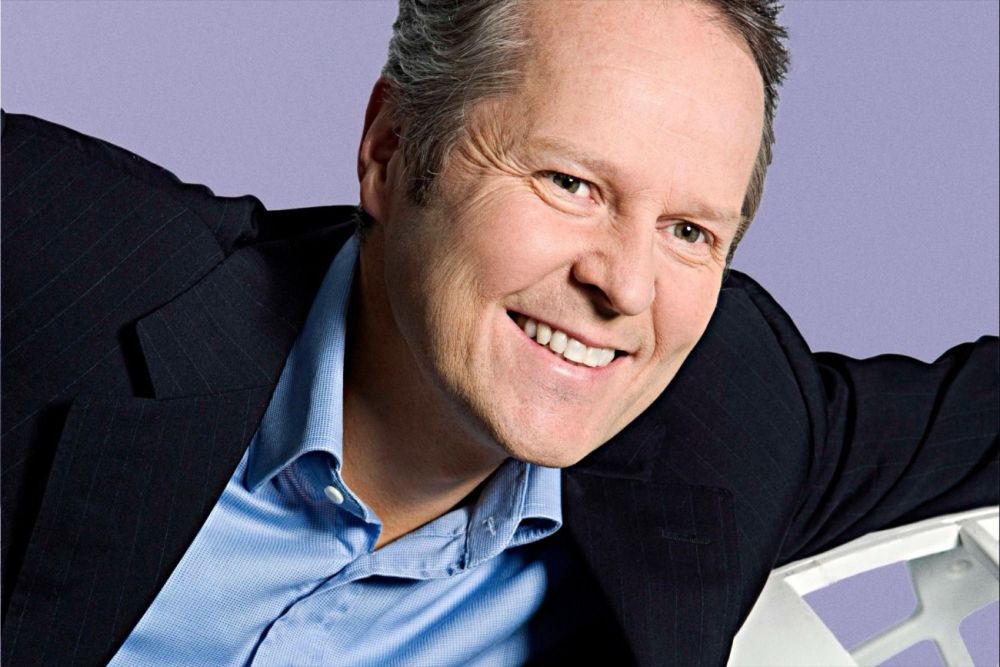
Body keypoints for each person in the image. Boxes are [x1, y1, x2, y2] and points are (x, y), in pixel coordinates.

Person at [1, 1, 996, 665]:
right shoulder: (60, 262)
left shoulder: (728, 424)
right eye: (571, 183)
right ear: (391, 148)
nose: (623, 285)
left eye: (690, 231)